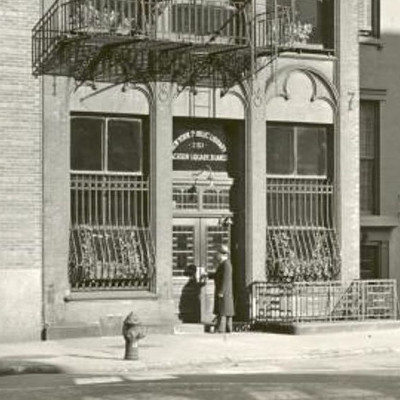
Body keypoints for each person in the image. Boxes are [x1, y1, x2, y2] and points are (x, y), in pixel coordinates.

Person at [210, 244, 235, 333]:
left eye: (218, 254)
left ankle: (221, 329)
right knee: (224, 310)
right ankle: (227, 329)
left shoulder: (226, 265)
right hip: (224, 292)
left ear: (222, 254)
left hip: (224, 293)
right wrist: (208, 275)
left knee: (223, 311)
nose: (217, 255)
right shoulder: (223, 264)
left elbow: (226, 279)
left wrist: (221, 291)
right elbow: (218, 276)